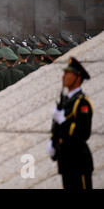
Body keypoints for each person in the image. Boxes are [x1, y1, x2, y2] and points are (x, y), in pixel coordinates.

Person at [48, 57, 94, 190]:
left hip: (79, 161)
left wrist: (63, 121)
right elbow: (59, 128)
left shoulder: (82, 103)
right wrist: (53, 142)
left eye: (68, 74)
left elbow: (83, 133)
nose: (64, 77)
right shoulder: (66, 100)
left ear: (77, 78)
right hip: (65, 161)